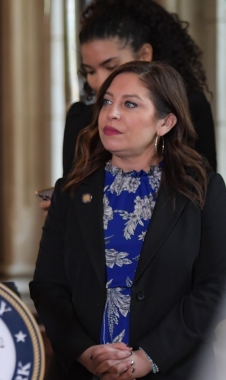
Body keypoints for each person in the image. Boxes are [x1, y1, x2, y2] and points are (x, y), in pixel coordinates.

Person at [30, 61, 226, 379]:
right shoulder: (72, 190)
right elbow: (48, 286)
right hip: (81, 371)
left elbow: (215, 287)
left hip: (174, 369)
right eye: (107, 101)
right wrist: (85, 352)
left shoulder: (202, 189)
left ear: (165, 122)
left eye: (130, 104)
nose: (112, 113)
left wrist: (149, 357)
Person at [40, 0, 217, 213]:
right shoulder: (80, 118)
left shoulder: (190, 108)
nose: (98, 82)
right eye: (90, 71)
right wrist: (66, 208)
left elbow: (204, 198)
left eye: (111, 66)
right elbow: (73, 193)